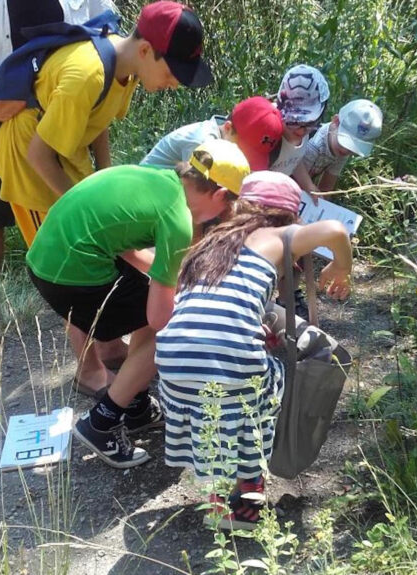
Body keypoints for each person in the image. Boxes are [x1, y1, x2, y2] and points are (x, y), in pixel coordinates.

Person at [155, 171, 353, 530]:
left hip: (171, 360)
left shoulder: (211, 242)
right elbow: (337, 231)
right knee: (269, 388)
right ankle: (247, 499)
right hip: (226, 361)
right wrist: (341, 266)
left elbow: (215, 305)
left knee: (211, 413)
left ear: (239, 207)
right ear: (290, 216)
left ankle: (216, 501)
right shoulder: (279, 235)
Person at [44, 141, 250, 467]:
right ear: (221, 195)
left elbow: (125, 245)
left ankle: (137, 404)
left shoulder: (158, 177)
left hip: (49, 256)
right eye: (228, 207)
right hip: (69, 278)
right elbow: (159, 320)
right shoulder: (179, 220)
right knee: (171, 331)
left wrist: (171, 276)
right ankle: (102, 422)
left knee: (151, 301)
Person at [0, 0, 115, 352]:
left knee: (64, 215)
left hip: (56, 115)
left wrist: (104, 164)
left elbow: (104, 40)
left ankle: (86, 315)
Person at [0, 0, 213, 249]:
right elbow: (38, 155)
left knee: (92, 251)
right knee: (58, 261)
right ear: (144, 51)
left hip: (68, 154)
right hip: (31, 167)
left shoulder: (127, 71)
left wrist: (103, 182)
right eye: (172, 73)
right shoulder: (87, 75)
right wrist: (87, 209)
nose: (174, 84)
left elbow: (98, 119)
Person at [141, 96, 283, 171]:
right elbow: (195, 197)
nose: (244, 158)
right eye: (243, 150)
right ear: (227, 127)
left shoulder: (223, 138)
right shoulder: (203, 144)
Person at [269, 64, 330, 203]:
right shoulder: (269, 130)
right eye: (293, 121)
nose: (301, 130)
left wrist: (309, 186)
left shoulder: (305, 131)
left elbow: (294, 160)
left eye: (309, 123)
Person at [301, 99, 383, 192]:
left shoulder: (341, 151)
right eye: (345, 142)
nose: (346, 150)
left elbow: (327, 187)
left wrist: (323, 201)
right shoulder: (315, 144)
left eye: (353, 148)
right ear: (336, 121)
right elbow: (297, 177)